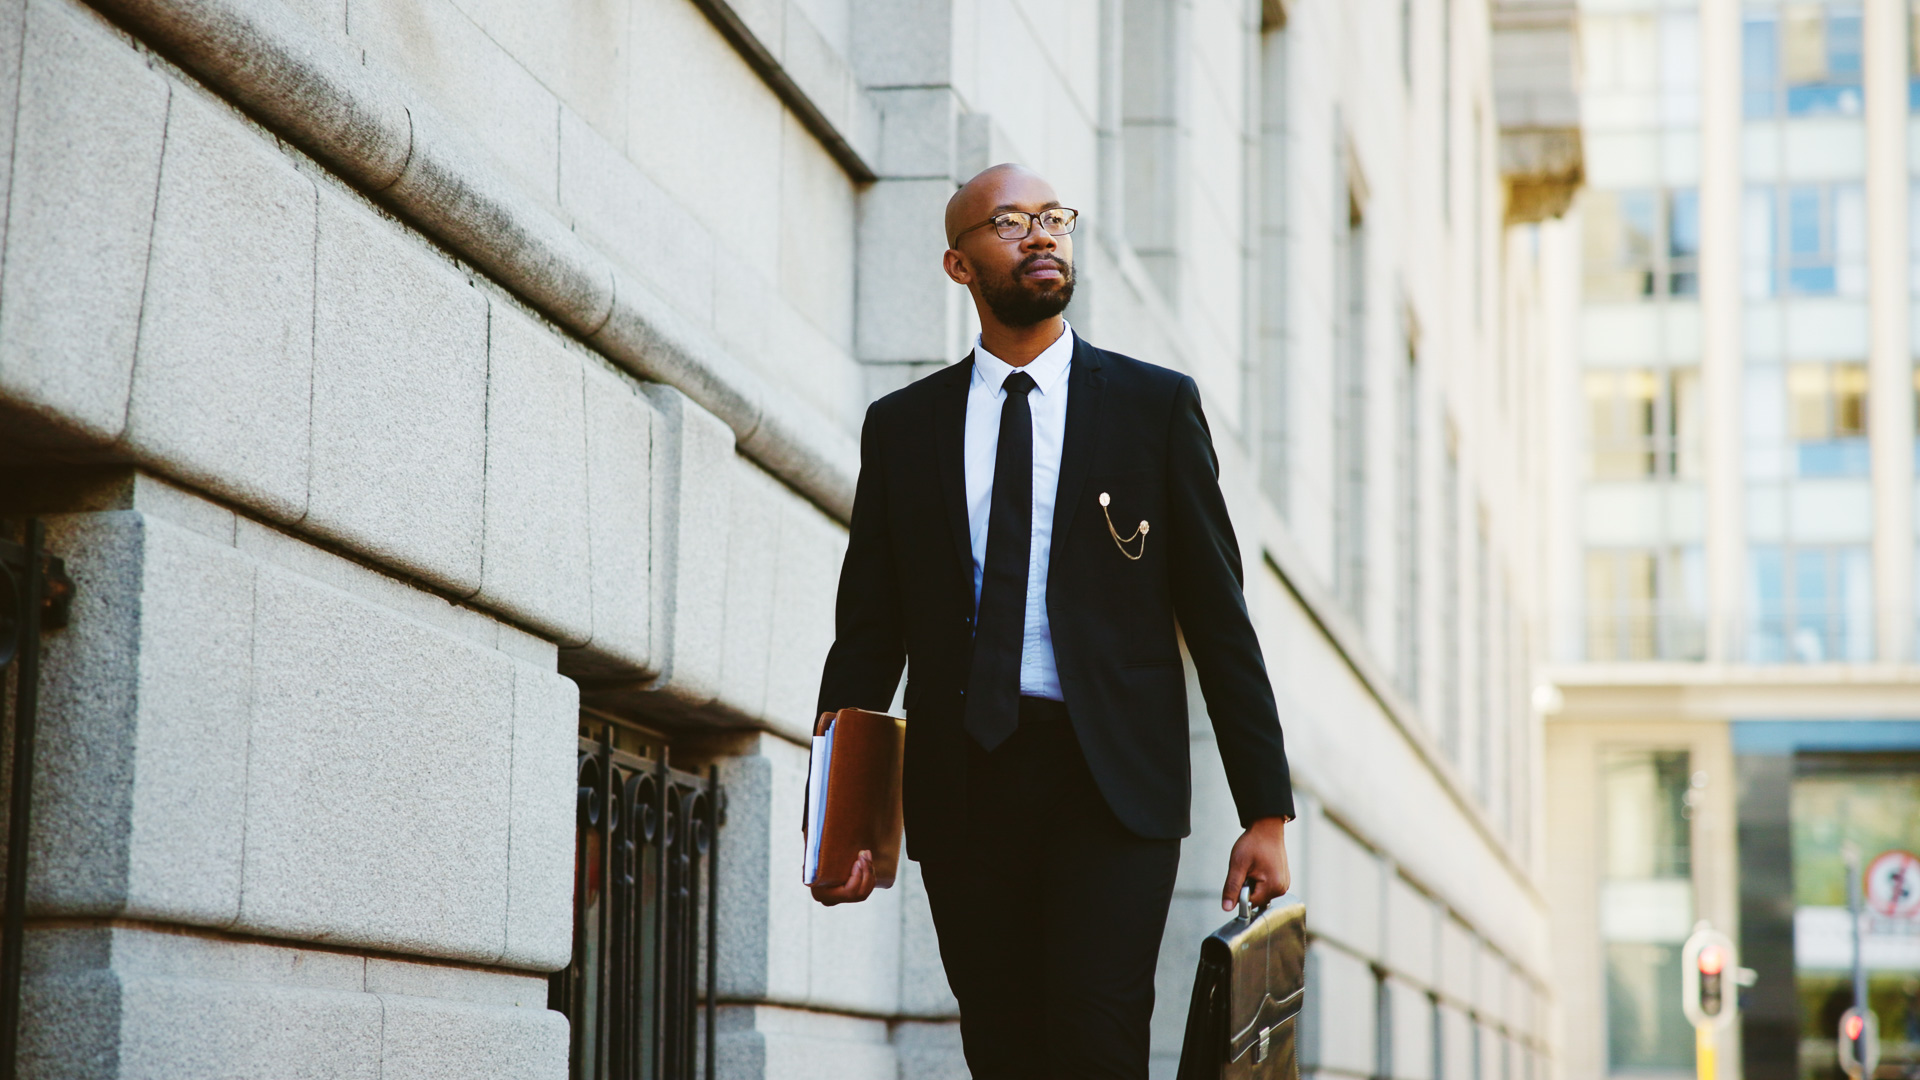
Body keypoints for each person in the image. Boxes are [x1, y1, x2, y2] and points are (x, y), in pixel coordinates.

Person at [811, 163, 1294, 1078]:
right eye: (1009, 223)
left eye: (1053, 218)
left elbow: (1220, 617)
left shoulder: (1155, 407)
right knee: (1002, 1046)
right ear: (960, 266)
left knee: (1097, 1039)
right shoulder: (904, 427)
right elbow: (869, 629)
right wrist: (841, 821)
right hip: (966, 784)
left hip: (1111, 785)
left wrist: (1264, 809)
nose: (1040, 235)